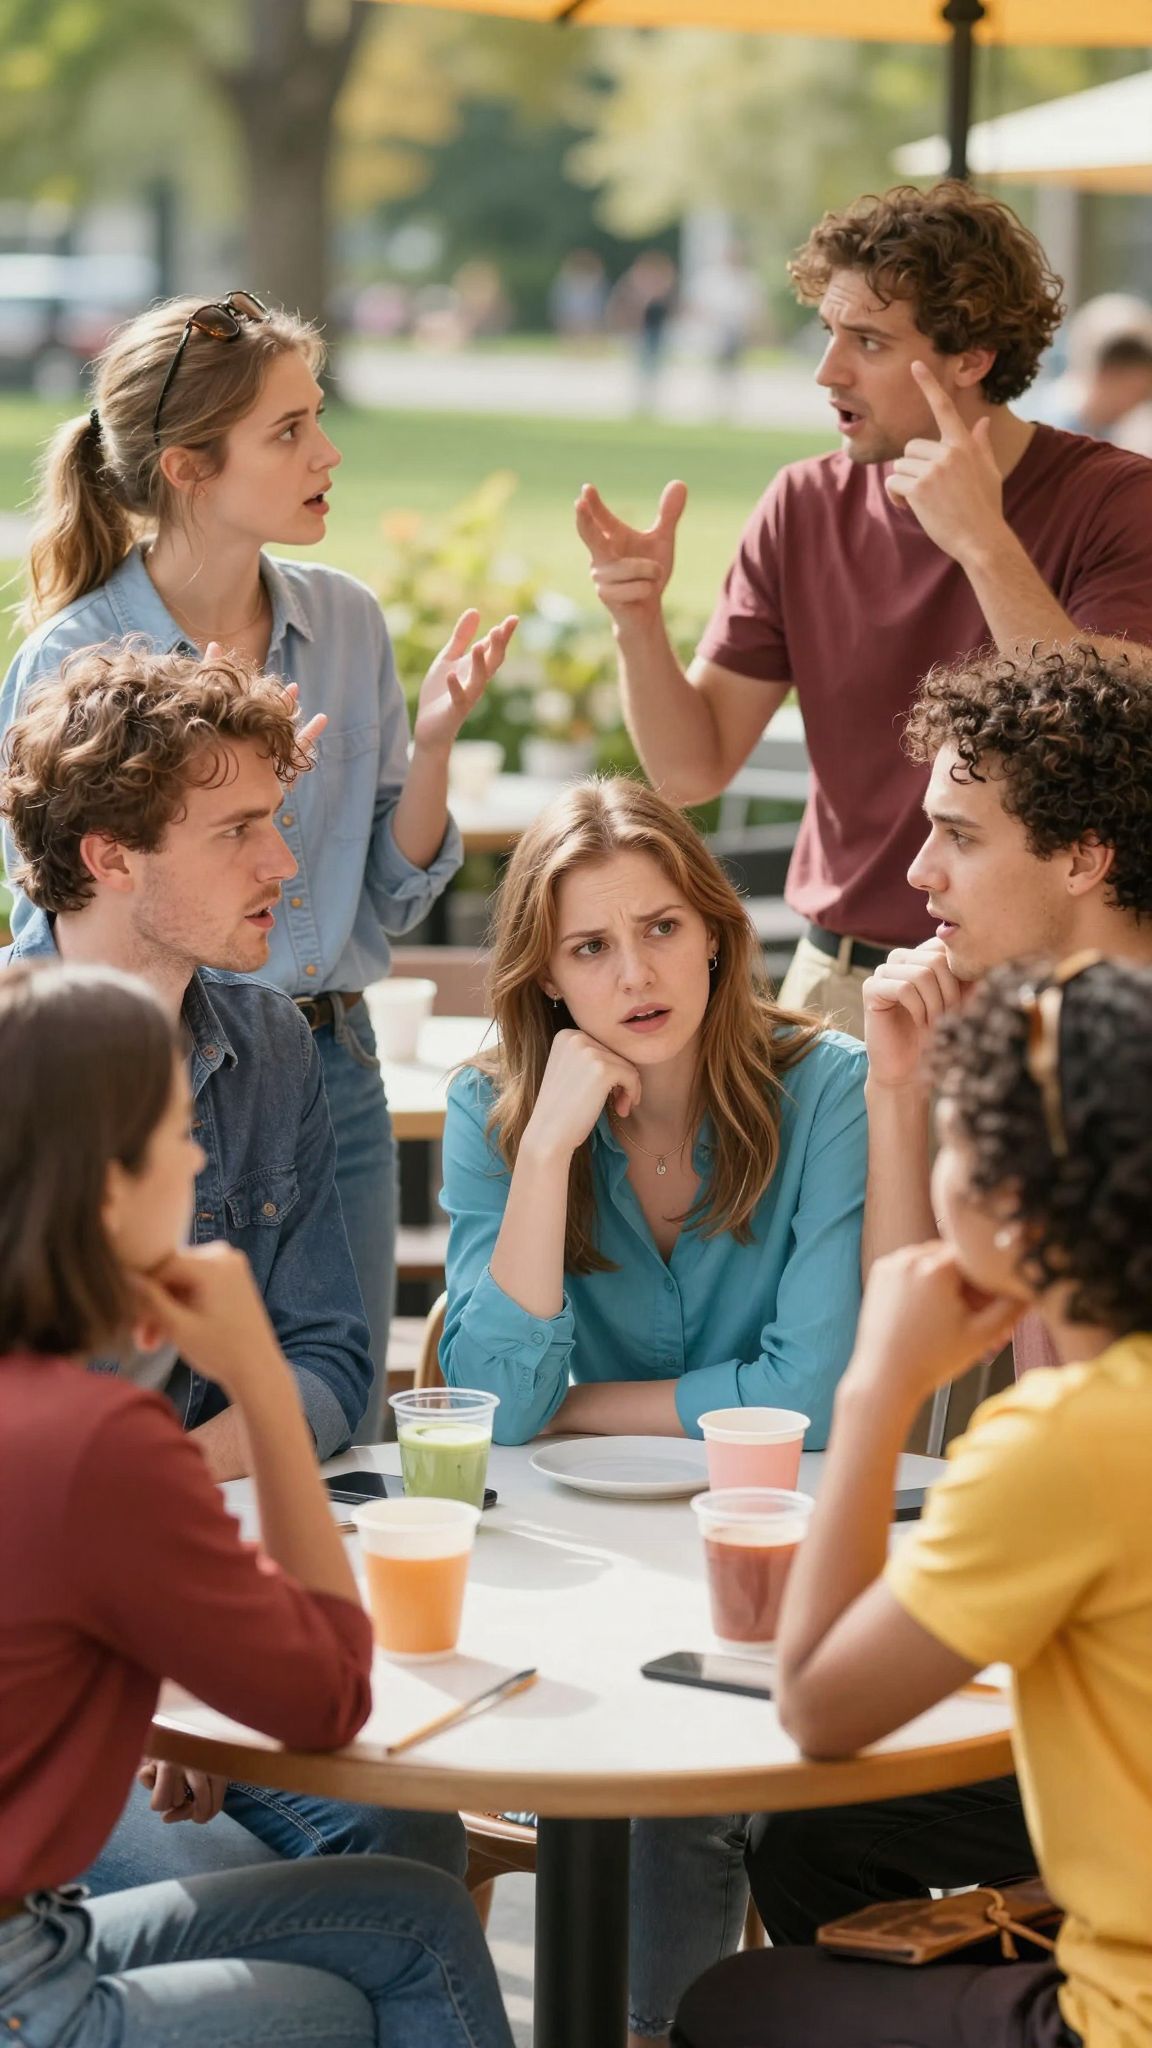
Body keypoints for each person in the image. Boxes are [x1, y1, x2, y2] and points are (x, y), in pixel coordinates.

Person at [0, 288, 517, 1437]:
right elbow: (56, 901)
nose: (326, 451)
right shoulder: (75, 657)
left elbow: (393, 885)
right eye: (288, 430)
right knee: (113, 1399)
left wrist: (430, 748)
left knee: (333, 1386)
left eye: (316, 417)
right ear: (188, 466)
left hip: (314, 1054)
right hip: (138, 1067)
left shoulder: (346, 621)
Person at [0, 641, 466, 1893]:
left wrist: (172, 1558)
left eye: (281, 819)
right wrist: (153, 1625)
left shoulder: (267, 1043)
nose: (286, 861)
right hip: (43, 1694)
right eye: (240, 829)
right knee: (304, 1899)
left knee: (409, 1834)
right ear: (110, 855)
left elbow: (328, 1359)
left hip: (196, 1586)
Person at [0, 958, 515, 2048]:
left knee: (415, 1913)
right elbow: (331, 1694)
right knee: (365, 1992)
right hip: (27, 1992)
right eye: (176, 1136)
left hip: (34, 1930)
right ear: (106, 1189)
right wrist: (265, 1387)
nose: (196, 1158)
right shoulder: (99, 1447)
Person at [439, 776, 868, 2045]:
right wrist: (545, 1148)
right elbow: (499, 1408)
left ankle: (648, 2028)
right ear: (548, 977)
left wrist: (583, 1406)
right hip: (577, 1566)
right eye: (591, 944)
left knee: (681, 1767)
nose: (637, 969)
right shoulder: (491, 1107)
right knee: (633, 1746)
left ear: (718, 932)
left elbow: (813, 1398)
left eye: (664, 925)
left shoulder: (825, 1086)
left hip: (771, 1554)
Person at [744, 638, 1152, 1952]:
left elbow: (911, 1358)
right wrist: (898, 1090)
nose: (917, 875)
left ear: (1085, 854)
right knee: (822, 1831)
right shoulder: (1031, 1036)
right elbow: (931, 1308)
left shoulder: (1095, 1076)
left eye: (959, 836)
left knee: (820, 1824)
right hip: (1071, 1589)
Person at [675, 955, 1152, 2048]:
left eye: (955, 1137)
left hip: (1119, 2013)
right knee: (821, 1841)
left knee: (731, 2004)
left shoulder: (1062, 1443)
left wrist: (876, 1388)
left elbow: (816, 1705)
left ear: (1010, 1202)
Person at [576, 182, 1152, 1033]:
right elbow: (689, 770)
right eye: (829, 333)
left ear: (971, 358)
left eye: (870, 341)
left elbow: (1118, 735)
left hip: (1055, 993)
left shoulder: (1116, 501)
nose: (828, 370)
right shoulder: (803, 505)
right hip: (844, 982)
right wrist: (637, 620)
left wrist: (982, 542)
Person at [1032, 292, 1152, 455]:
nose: (1141, 403)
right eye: (1140, 392)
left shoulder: (1108, 434)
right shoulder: (1042, 430)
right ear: (1110, 373)